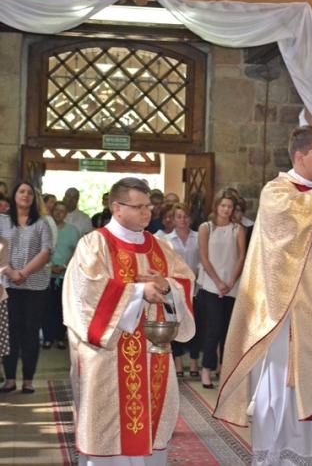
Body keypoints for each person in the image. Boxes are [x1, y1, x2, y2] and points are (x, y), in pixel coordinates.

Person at [214, 127, 312, 465]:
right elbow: (295, 226)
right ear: (299, 157)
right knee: (280, 398)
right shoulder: (277, 192)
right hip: (285, 316)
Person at [62, 177, 195, 464]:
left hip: (153, 356)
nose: (147, 213)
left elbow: (185, 281)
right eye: (138, 207)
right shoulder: (94, 245)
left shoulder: (160, 247)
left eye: (148, 206)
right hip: (108, 359)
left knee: (153, 431)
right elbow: (86, 294)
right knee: (109, 437)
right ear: (116, 208)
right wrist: (138, 292)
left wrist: (167, 286)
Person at [0, 182, 52, 394]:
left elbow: (46, 252)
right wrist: (11, 272)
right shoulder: (2, 221)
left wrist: (24, 273)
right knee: (9, 332)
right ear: (14, 196)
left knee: (30, 332)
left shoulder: (42, 223)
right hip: (8, 285)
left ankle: (28, 380)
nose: (25, 195)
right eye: (21, 191)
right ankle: (10, 379)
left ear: (34, 198)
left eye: (30, 192)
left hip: (35, 286)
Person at [196, 190, 246, 389]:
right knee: (214, 329)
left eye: (230, 206)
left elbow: (241, 257)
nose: (226, 209)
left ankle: (224, 369)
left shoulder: (237, 229)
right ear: (216, 206)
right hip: (211, 285)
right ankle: (206, 369)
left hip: (232, 286)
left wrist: (231, 281)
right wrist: (218, 282)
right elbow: (204, 257)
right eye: (223, 205)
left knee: (228, 331)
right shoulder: (206, 228)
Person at [166, 204, 201, 378]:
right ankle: (178, 362)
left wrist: (196, 273)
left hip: (197, 287)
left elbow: (203, 258)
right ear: (173, 219)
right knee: (177, 323)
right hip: (176, 288)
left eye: (185, 216)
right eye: (178, 216)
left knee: (197, 324)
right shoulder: (166, 239)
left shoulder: (198, 236)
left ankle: (194, 361)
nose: (182, 220)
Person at [43, 201, 80, 350]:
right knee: (47, 308)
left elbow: (76, 252)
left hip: (65, 276)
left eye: (62, 211)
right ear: (52, 212)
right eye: (56, 210)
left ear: (66, 214)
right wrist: (50, 266)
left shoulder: (73, 231)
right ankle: (47, 338)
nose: (59, 213)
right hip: (46, 275)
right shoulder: (45, 229)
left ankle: (59, 338)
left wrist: (64, 266)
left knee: (63, 307)